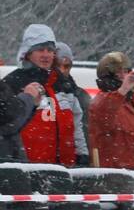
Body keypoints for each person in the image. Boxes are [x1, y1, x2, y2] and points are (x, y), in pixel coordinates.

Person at [2, 24, 87, 167]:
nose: (46, 55)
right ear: (28, 53)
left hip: (65, 168)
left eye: (50, 50)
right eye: (40, 50)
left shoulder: (63, 84)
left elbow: (76, 124)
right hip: (28, 167)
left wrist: (82, 154)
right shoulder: (12, 83)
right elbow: (7, 125)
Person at [88, 53, 134, 169]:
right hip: (118, 177)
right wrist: (122, 90)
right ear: (108, 76)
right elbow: (104, 114)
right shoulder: (101, 101)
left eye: (126, 71)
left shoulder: (132, 102)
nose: (124, 76)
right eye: (118, 72)